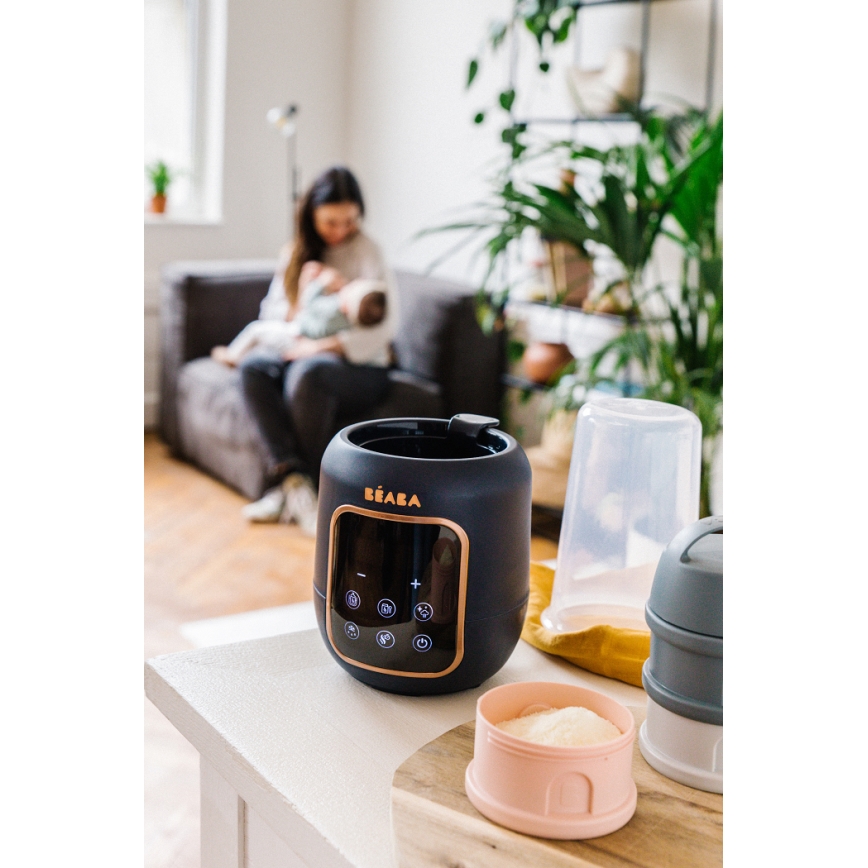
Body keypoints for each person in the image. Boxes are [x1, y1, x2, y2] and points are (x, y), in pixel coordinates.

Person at [236, 166, 397, 534]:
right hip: (300, 344)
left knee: (307, 373)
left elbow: (386, 325)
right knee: (253, 366)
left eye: (349, 221)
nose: (340, 231)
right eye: (330, 222)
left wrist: (322, 345)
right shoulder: (295, 253)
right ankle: (293, 482)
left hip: (361, 364)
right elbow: (272, 314)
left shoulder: (369, 251)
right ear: (311, 216)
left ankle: (303, 492)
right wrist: (305, 301)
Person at [210, 269, 388, 366]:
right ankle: (243, 358)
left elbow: (309, 304)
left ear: (346, 305)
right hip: (300, 337)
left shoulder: (334, 312)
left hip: (296, 336)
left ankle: (233, 356)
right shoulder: (348, 323)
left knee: (257, 330)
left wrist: (318, 284)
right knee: (264, 340)